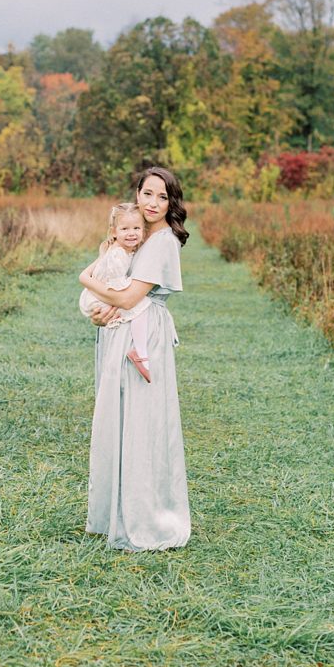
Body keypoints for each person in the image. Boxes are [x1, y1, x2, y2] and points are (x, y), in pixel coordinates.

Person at [78, 166, 191, 552]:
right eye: (147, 194)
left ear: (171, 202)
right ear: (137, 194)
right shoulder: (135, 236)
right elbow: (118, 283)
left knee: (141, 422)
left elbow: (128, 298)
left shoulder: (162, 241)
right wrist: (99, 310)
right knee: (119, 417)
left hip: (144, 332)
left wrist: (87, 283)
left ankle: (146, 518)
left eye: (163, 197)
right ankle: (117, 510)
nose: (153, 203)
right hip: (122, 329)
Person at [78, 202, 153, 382]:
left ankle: (136, 351)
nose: (131, 233)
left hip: (98, 294)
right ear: (114, 232)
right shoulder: (117, 254)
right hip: (97, 299)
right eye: (125, 229)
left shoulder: (123, 250)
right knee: (140, 305)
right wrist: (135, 286)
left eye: (136, 228)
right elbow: (118, 282)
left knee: (136, 307)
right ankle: (140, 352)